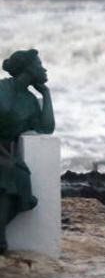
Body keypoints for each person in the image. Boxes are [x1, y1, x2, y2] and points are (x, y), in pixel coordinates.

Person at [0, 49, 54, 254]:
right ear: (28, 69)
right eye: (40, 65)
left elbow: (47, 127)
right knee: (7, 170)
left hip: (6, 150)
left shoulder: (31, 101)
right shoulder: (2, 87)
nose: (44, 69)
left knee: (19, 175)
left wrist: (46, 95)